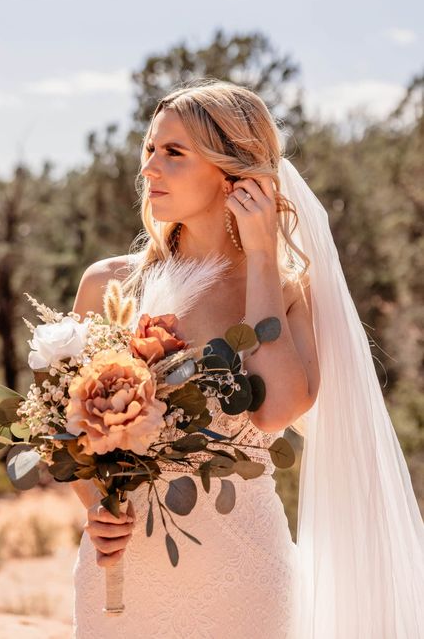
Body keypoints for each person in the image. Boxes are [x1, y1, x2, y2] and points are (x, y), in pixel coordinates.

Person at [70, 79, 424, 638]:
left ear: (233, 174)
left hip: (244, 576)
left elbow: (275, 411)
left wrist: (261, 257)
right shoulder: (107, 284)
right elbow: (72, 432)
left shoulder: (287, 292)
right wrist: (96, 507)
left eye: (174, 153)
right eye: (150, 150)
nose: (149, 168)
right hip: (122, 572)